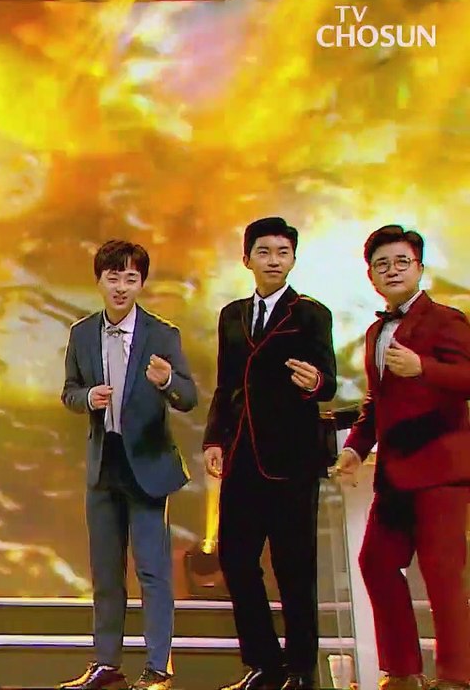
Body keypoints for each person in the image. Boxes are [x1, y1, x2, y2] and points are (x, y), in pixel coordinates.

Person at [334, 225, 470, 690]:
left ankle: (456, 676)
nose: (392, 271)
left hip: (440, 471)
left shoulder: (445, 320)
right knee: (375, 562)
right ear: (371, 276)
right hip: (394, 475)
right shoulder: (376, 331)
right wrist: (354, 448)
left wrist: (423, 368)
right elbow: (378, 402)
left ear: (419, 268)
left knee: (442, 577)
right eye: (382, 265)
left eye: (401, 262)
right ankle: (402, 671)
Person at [203, 218, 337, 690]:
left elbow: (328, 380)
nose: (274, 260)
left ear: (293, 259)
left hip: (292, 461)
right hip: (242, 457)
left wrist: (316, 382)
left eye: (283, 252)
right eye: (264, 252)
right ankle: (263, 663)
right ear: (247, 260)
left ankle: (300, 669)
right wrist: (214, 439)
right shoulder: (232, 315)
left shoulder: (311, 314)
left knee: (294, 567)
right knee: (236, 560)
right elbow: (226, 384)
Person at [58, 239, 198, 690]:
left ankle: (158, 668)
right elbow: (69, 392)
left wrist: (168, 380)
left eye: (131, 278)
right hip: (105, 464)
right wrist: (87, 398)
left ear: (141, 284)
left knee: (153, 572)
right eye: (113, 277)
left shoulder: (162, 334)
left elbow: (189, 397)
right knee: (105, 573)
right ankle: (106, 663)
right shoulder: (82, 333)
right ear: (99, 281)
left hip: (148, 467)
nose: (121, 287)